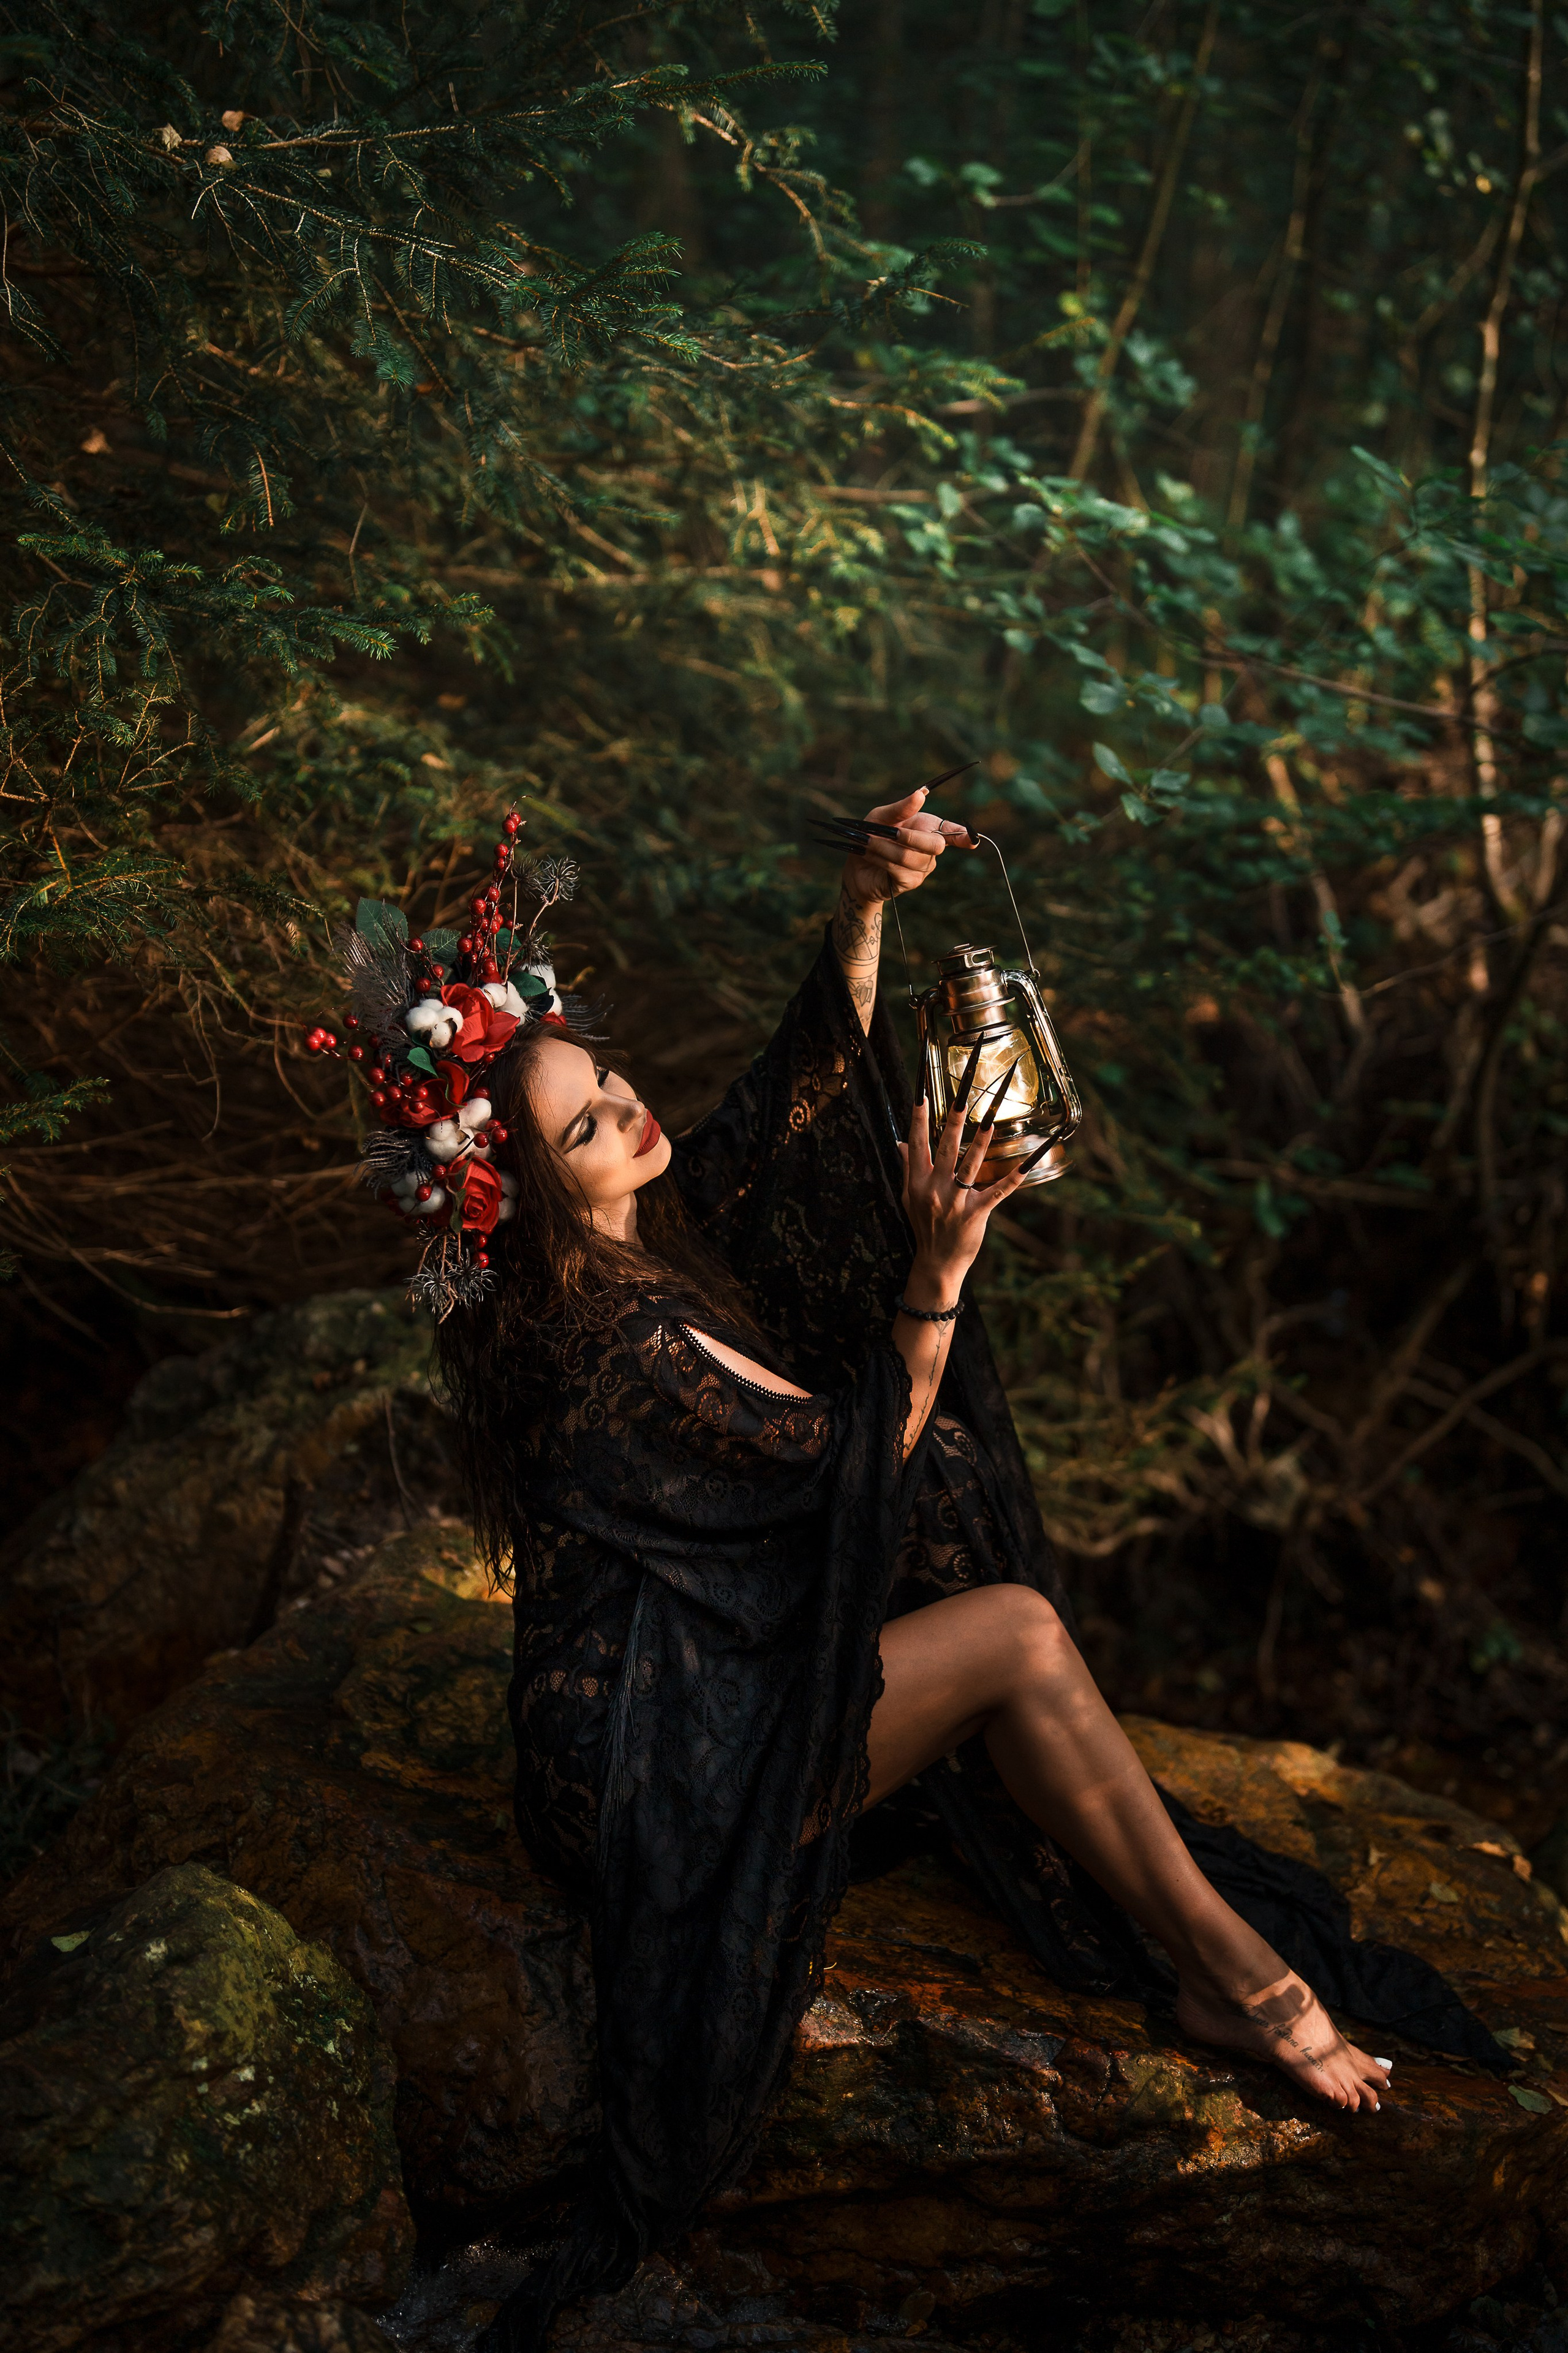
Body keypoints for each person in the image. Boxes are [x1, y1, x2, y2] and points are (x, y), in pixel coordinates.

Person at [413, 788, 1503, 2352]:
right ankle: (1235, 1979)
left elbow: (782, 1114)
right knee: (1008, 1634)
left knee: (1005, 1642)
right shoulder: (598, 1341)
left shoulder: (647, 1240)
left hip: (710, 1689)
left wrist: (863, 903)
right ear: (517, 1197)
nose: (632, 1110)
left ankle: (1217, 1958)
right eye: (586, 1123)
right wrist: (931, 1275)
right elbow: (837, 1469)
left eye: (610, 1077)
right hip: (656, 1767)